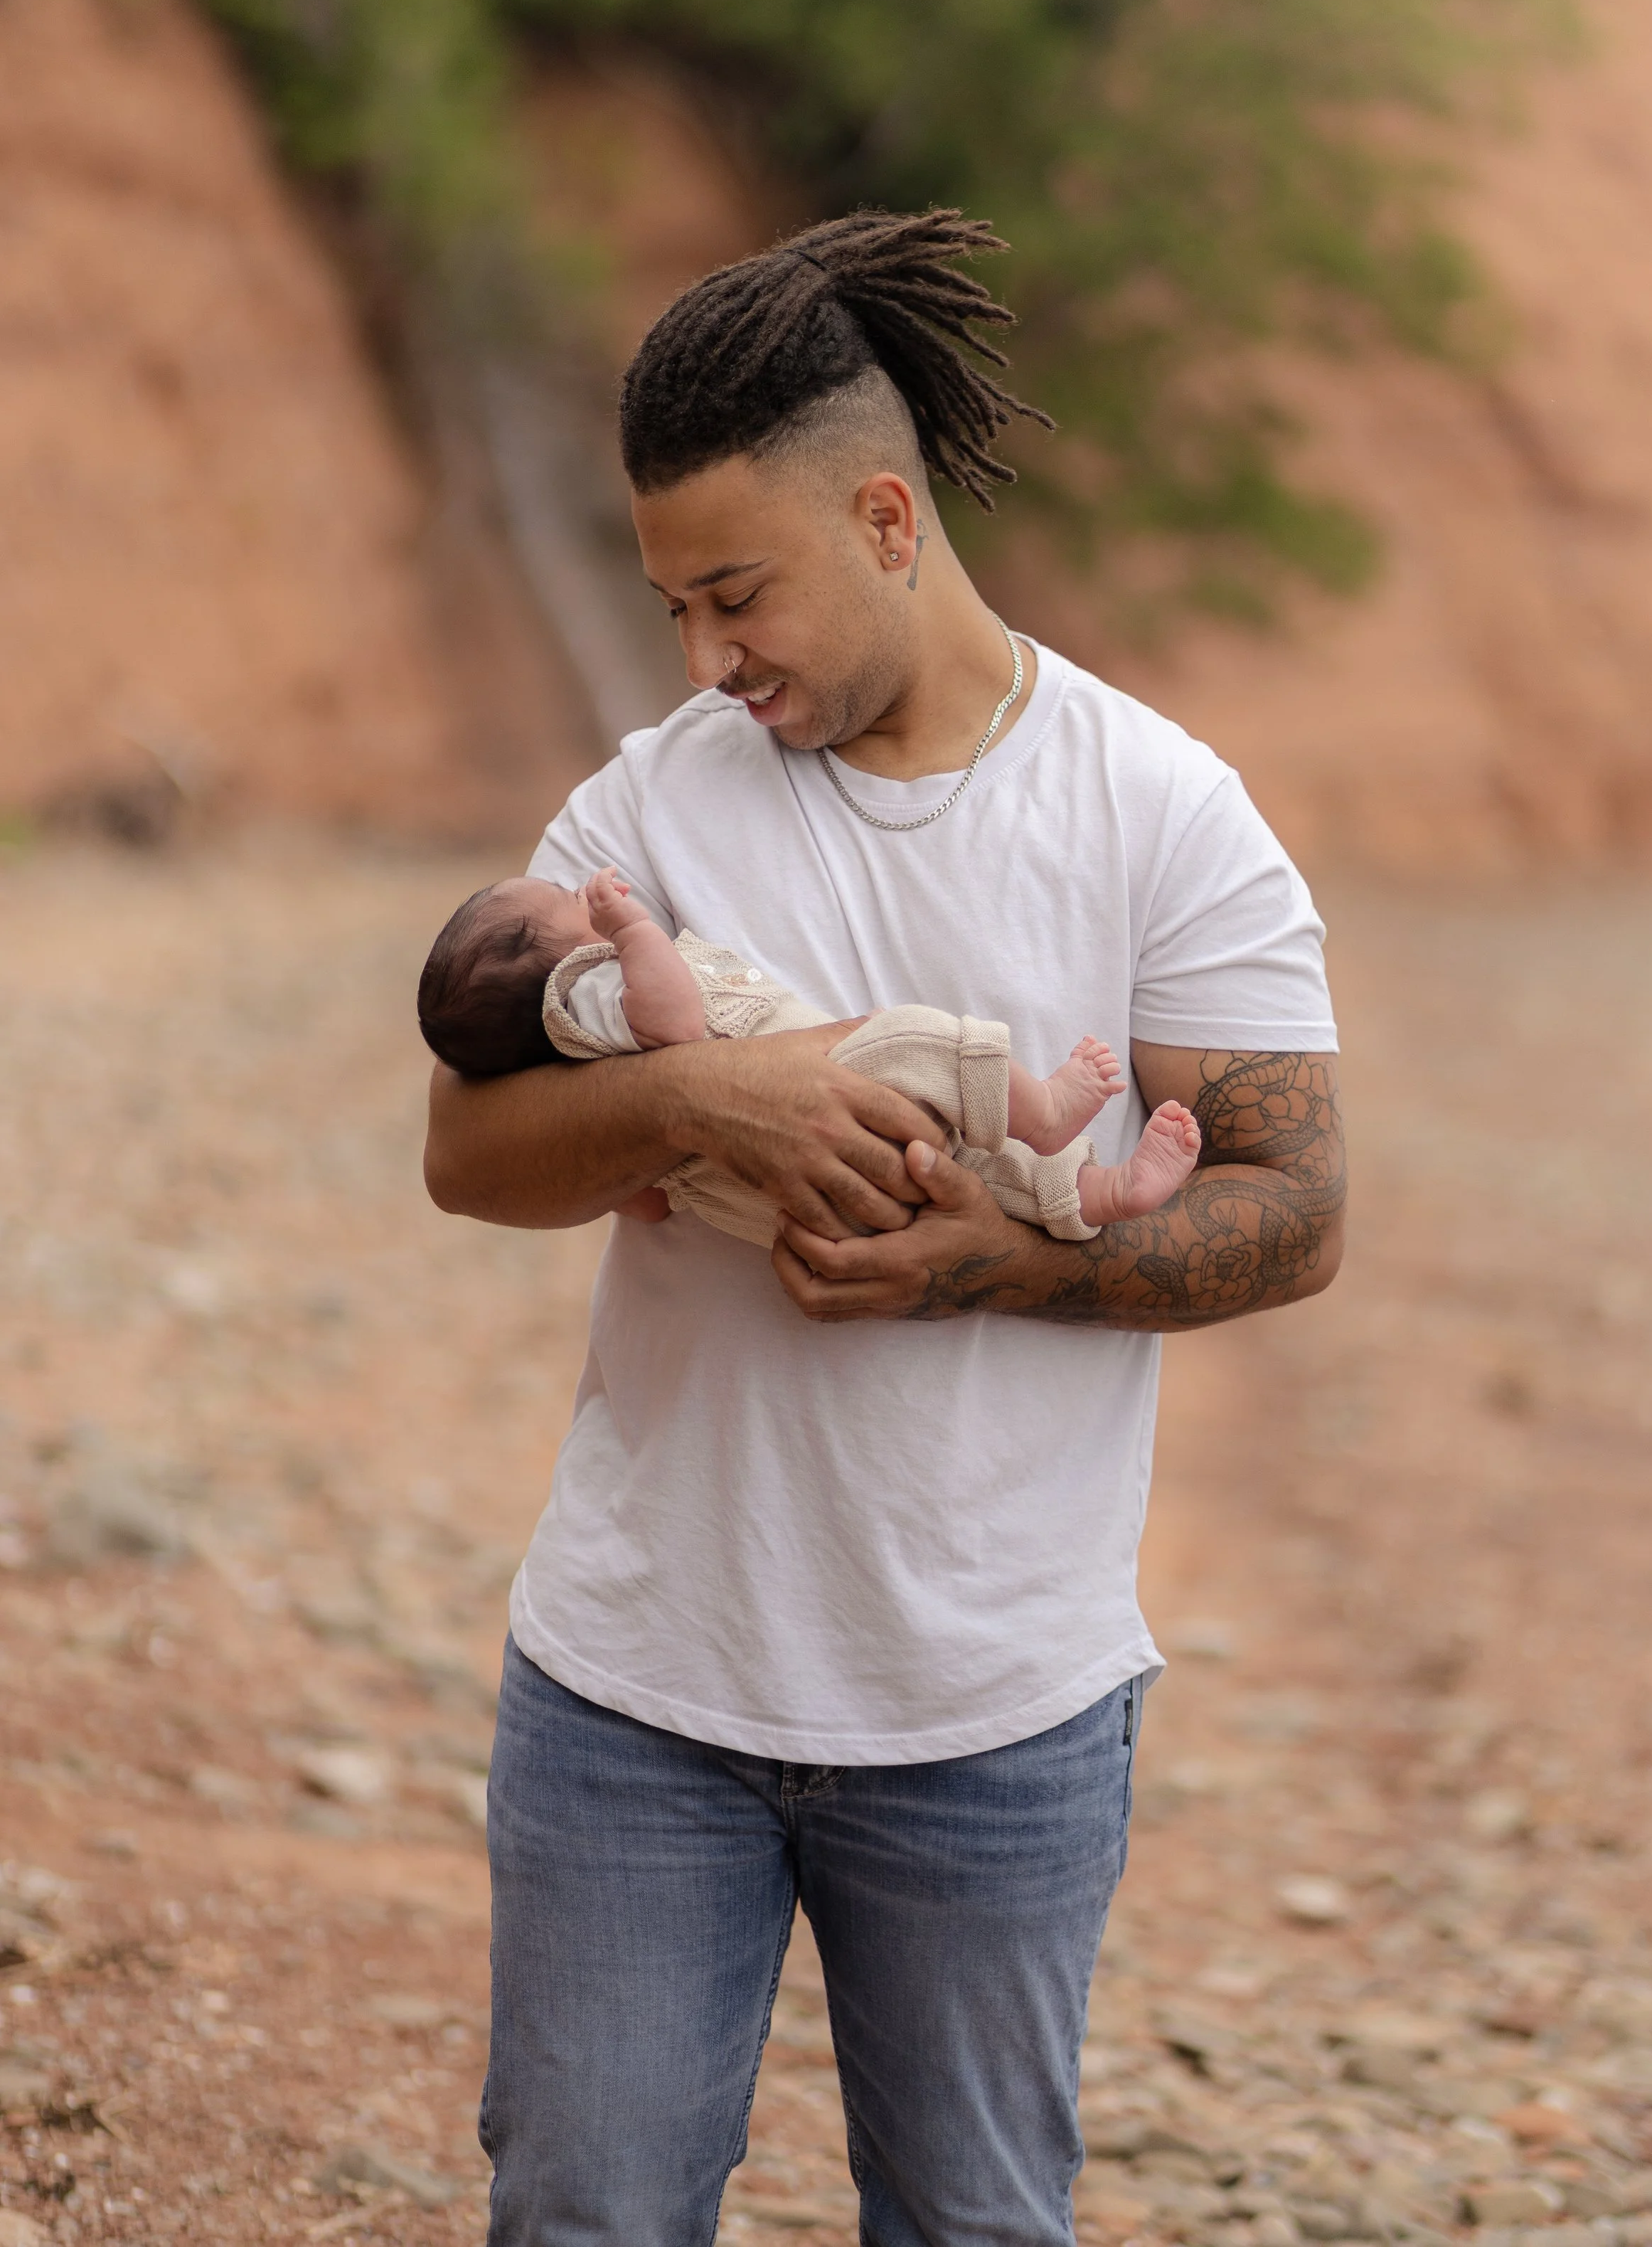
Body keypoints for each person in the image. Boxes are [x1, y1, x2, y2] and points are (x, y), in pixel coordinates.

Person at [422, 208, 1346, 2247]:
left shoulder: (1161, 808)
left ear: (885, 518)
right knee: (579, 2213)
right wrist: (708, 1095)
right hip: (634, 1688)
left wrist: (986, 1263)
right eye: (673, 606)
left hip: (995, 1708)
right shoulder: (644, 808)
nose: (705, 658)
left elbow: (1295, 1206)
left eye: (735, 594)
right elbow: (464, 1150)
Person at [413, 863, 1204, 1240]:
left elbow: (644, 1202)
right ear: (549, 964)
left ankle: (1102, 1194)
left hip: (778, 1212)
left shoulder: (563, 1062)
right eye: (562, 897)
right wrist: (631, 930)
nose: (576, 888)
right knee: (916, 1037)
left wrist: (648, 1167)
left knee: (973, 1175)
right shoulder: (588, 988)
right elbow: (677, 1026)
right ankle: (1047, 1111)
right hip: (835, 1084)